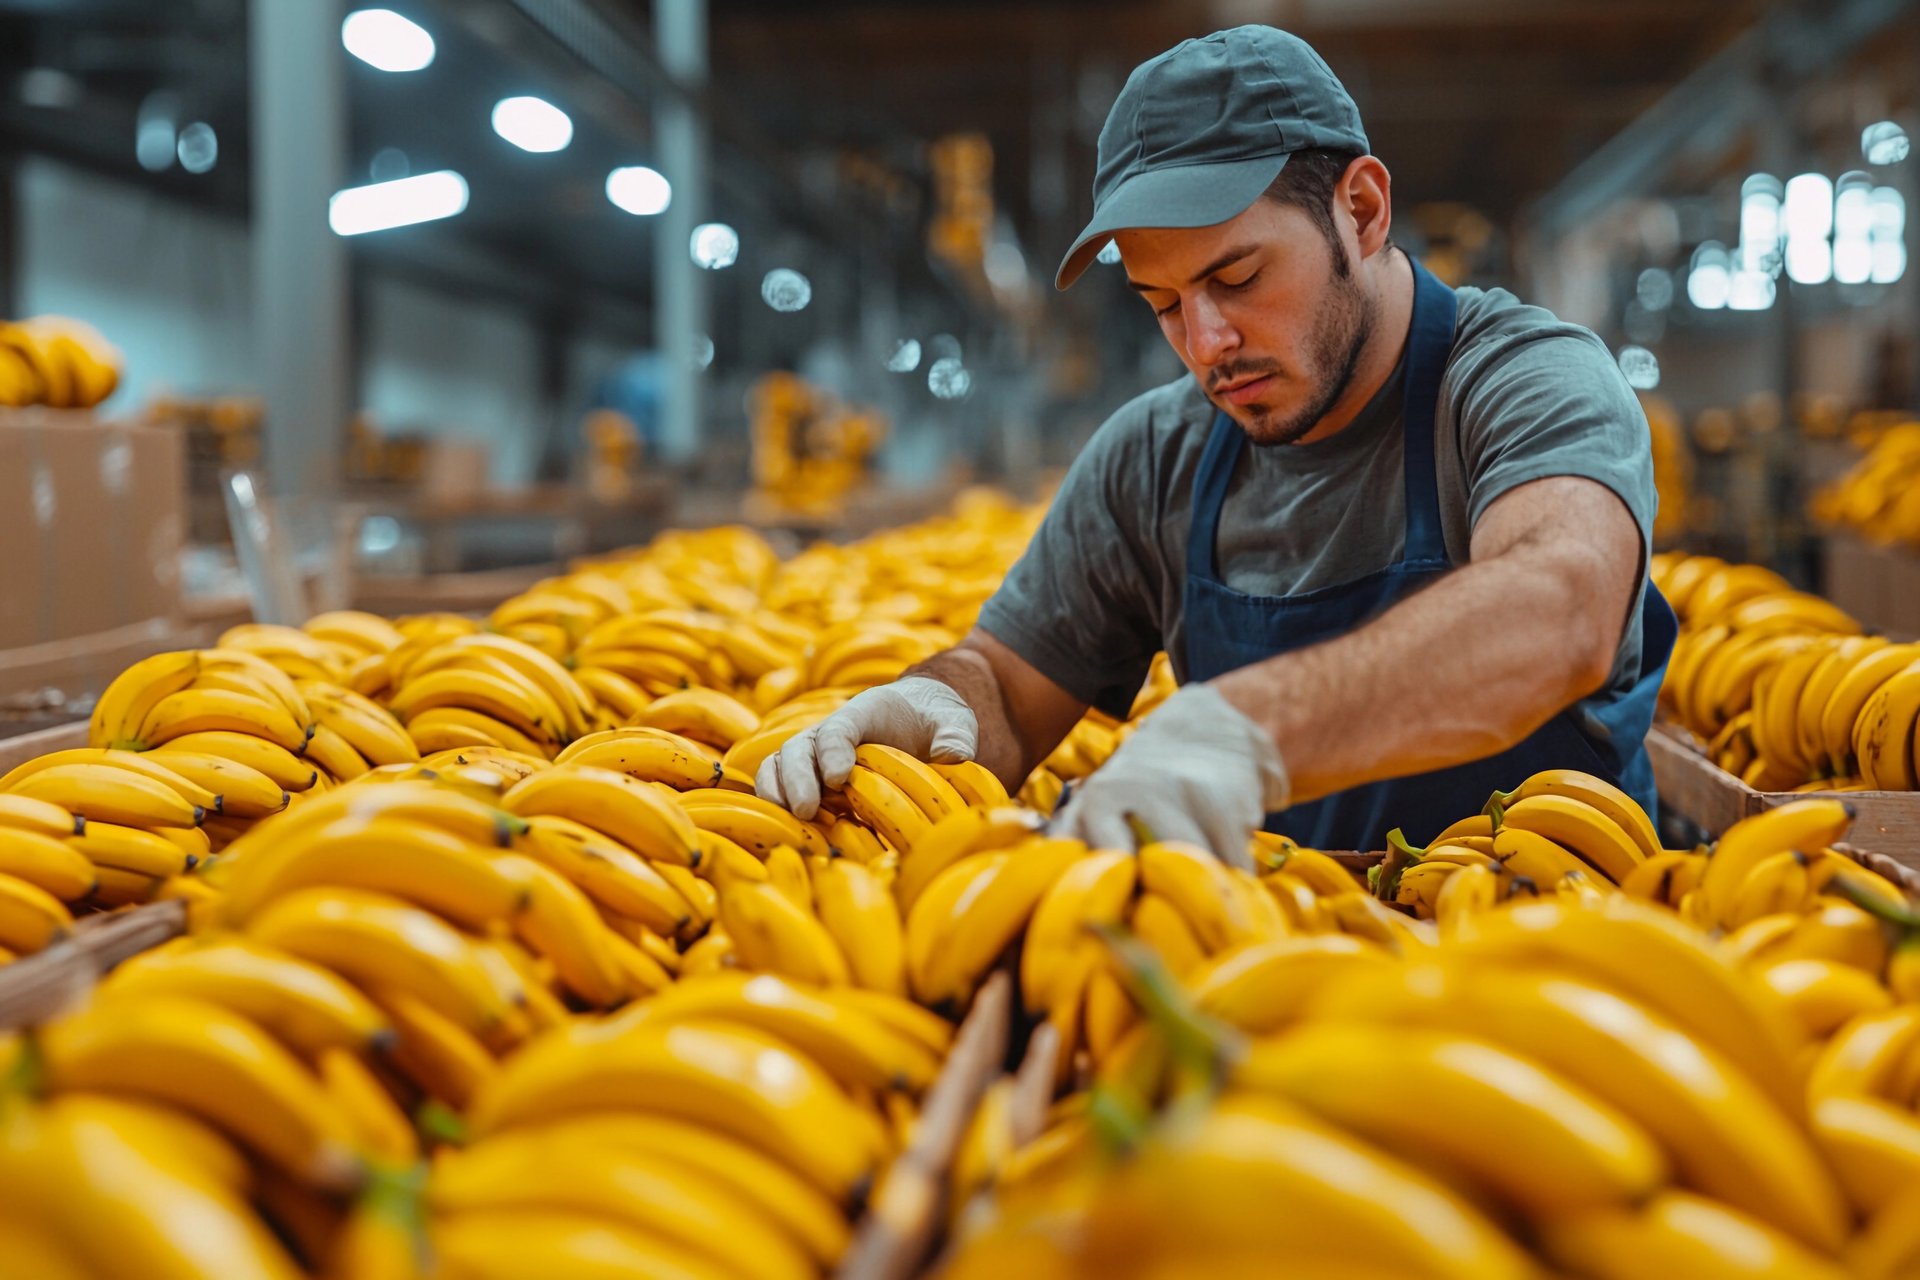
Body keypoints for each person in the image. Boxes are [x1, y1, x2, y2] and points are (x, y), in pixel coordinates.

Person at [758, 24, 1673, 861]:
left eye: (1237, 277)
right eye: (1162, 305)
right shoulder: (1155, 458)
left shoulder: (1519, 380)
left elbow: (1561, 606)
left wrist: (1249, 728)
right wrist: (942, 702)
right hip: (1264, 974)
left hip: (1543, 972)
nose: (1205, 345)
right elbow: (1008, 684)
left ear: (1360, 210)